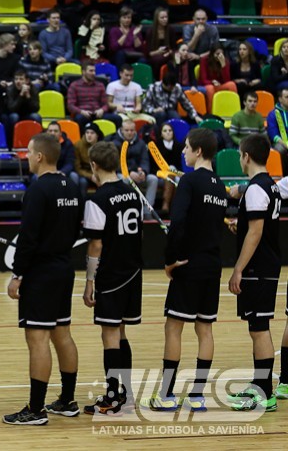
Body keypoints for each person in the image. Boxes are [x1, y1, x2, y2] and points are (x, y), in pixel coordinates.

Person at [141, 128, 227, 412]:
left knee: (173, 328)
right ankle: (197, 396)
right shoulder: (220, 186)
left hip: (188, 264)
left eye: (187, 147)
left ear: (198, 151)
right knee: (205, 329)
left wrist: (170, 260)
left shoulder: (189, 181)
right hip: (212, 265)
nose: (183, 151)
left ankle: (166, 394)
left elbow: (177, 223)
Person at [4, 133, 81, 425]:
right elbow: (76, 229)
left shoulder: (37, 190)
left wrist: (17, 274)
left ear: (40, 156)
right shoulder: (72, 186)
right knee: (62, 334)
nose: (26, 156)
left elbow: (28, 237)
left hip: (41, 273)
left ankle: (35, 409)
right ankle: (67, 400)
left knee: (37, 339)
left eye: (28, 152)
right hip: (64, 267)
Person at [81, 140, 142, 415]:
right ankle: (125, 394)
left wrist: (89, 281)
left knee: (110, 335)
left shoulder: (98, 199)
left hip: (112, 274)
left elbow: (96, 245)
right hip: (133, 272)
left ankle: (113, 396)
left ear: (94, 165)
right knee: (121, 332)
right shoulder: (132, 193)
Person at [227, 134, 280, 411]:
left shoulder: (257, 188)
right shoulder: (269, 185)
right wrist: (241, 227)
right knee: (256, 328)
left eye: (239, 154)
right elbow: (257, 227)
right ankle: (260, 384)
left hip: (258, 268)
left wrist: (238, 269)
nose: (240, 159)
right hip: (264, 266)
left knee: (260, 329)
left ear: (246, 156)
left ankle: (265, 393)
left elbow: (257, 233)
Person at [66, 61, 121, 131]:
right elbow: (70, 106)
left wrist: (102, 110)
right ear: (83, 72)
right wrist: (81, 111)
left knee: (117, 118)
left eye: (94, 71)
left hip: (98, 113)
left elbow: (105, 104)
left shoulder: (100, 85)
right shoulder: (74, 85)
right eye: (91, 71)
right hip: (83, 114)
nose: (93, 73)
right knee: (79, 119)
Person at [153, 122, 184, 215]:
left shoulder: (179, 146)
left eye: (170, 130)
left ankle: (171, 207)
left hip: (175, 174)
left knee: (177, 178)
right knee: (171, 171)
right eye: (165, 131)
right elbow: (153, 165)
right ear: (161, 133)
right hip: (159, 174)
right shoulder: (156, 146)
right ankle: (167, 205)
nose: (168, 132)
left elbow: (180, 165)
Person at [198, 44, 237, 108]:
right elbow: (203, 80)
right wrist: (212, 82)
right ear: (212, 54)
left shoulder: (225, 61)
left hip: (219, 85)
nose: (219, 56)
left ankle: (233, 108)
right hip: (208, 85)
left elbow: (227, 80)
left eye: (221, 54)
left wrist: (223, 65)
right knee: (210, 88)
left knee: (231, 84)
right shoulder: (204, 60)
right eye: (217, 54)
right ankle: (211, 111)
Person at [74, 122, 103, 198]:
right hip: (85, 174)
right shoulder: (78, 145)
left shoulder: (102, 146)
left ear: (97, 135)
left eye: (92, 133)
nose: (89, 135)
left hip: (99, 173)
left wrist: (98, 176)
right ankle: (82, 204)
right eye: (87, 132)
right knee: (82, 182)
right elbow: (77, 168)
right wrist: (91, 176)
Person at [145, 7, 178, 76]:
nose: (165, 19)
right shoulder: (150, 32)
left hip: (168, 55)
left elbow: (174, 48)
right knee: (157, 60)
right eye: (162, 18)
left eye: (166, 17)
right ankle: (156, 79)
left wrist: (169, 52)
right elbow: (148, 53)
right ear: (157, 19)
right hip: (154, 55)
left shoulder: (171, 30)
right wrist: (158, 52)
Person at [267, 88, 288, 170]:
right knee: (279, 150)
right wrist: (286, 144)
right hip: (280, 142)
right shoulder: (273, 114)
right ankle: (284, 173)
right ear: (280, 99)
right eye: (287, 97)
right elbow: (273, 134)